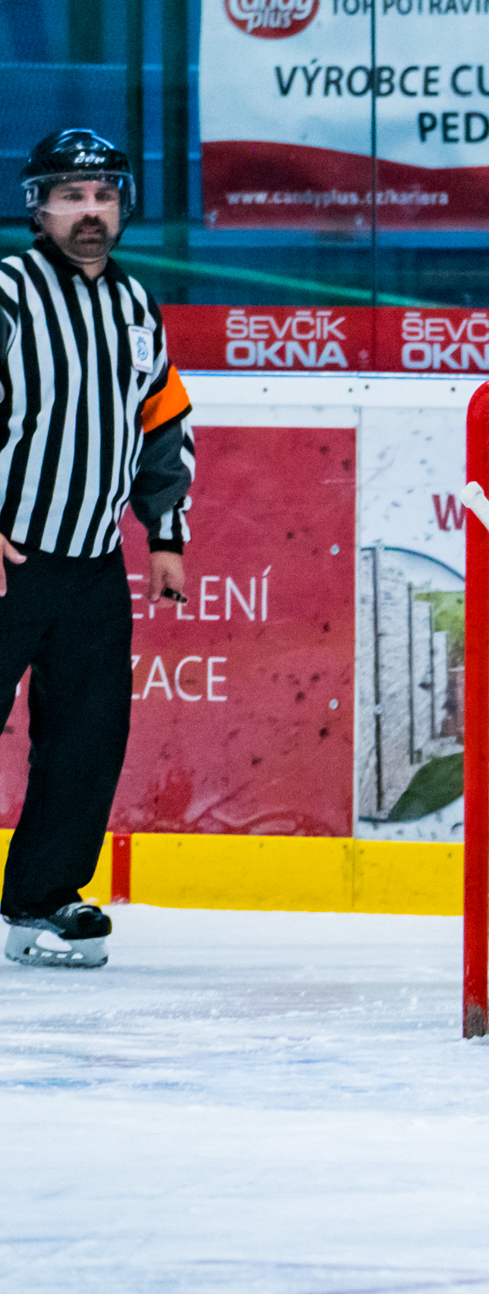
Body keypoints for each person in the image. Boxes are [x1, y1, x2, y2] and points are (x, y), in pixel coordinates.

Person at [0, 128, 194, 969]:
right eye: (71, 195)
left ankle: (41, 898)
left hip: (89, 563)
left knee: (86, 735)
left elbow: (162, 421)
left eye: (104, 195)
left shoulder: (136, 306)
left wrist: (166, 533)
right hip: (8, 559)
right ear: (36, 205)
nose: (90, 211)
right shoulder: (7, 293)